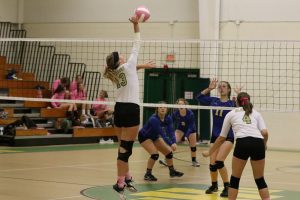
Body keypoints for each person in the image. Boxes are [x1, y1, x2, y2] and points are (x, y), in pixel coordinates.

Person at [103, 15, 155, 196]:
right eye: (121, 55)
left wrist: (142, 66)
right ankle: (120, 183)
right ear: (120, 60)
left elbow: (131, 69)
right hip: (131, 109)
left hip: (119, 109)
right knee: (125, 150)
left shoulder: (114, 72)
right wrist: (136, 25)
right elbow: (137, 43)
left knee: (122, 147)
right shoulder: (128, 65)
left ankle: (128, 176)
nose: (124, 55)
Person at [202, 92, 270, 200]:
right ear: (249, 101)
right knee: (260, 180)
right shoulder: (256, 113)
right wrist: (264, 145)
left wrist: (209, 152)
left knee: (235, 179)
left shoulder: (231, 113)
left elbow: (221, 138)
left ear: (236, 102)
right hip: (258, 143)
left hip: (243, 143)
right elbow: (265, 133)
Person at [196, 78, 239, 197]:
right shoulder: (214, 101)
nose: (221, 88)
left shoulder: (232, 103)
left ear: (229, 89)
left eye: (224, 86)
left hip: (227, 137)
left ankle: (227, 187)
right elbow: (198, 97)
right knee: (212, 164)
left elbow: (245, 106)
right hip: (215, 136)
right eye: (220, 86)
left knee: (219, 161)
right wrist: (209, 89)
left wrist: (239, 94)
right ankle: (214, 185)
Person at [138, 103, 184, 182]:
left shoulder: (168, 118)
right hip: (144, 136)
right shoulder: (154, 119)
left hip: (154, 136)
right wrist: (171, 144)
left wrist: (174, 142)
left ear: (167, 109)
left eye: (164, 107)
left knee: (169, 153)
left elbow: (171, 131)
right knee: (155, 155)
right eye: (160, 107)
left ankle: (172, 171)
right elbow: (163, 134)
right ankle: (148, 174)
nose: (162, 108)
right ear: (157, 109)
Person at [171, 98, 200, 167]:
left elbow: (191, 126)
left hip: (191, 130)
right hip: (181, 129)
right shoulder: (175, 113)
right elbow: (170, 122)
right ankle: (167, 158)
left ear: (185, 105)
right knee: (173, 142)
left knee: (193, 146)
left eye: (182, 104)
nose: (180, 106)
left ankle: (194, 161)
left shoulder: (190, 114)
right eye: (179, 104)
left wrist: (186, 136)